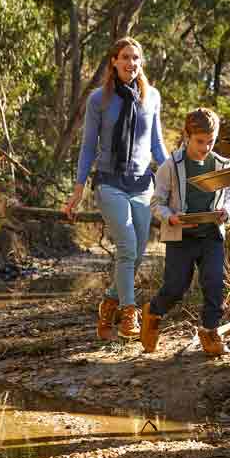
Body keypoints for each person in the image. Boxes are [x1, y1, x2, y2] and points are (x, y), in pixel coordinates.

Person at [64, 37, 169, 342]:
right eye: (125, 57)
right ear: (113, 61)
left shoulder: (152, 97)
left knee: (136, 255)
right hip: (109, 182)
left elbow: (157, 145)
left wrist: (172, 176)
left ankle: (109, 302)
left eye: (136, 58)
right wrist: (78, 189)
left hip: (141, 184)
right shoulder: (99, 99)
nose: (131, 63)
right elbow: (87, 148)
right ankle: (129, 312)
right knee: (126, 247)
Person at [141, 108, 230, 356]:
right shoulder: (170, 166)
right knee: (176, 287)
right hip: (180, 237)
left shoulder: (222, 165)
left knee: (215, 283)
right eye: (199, 141)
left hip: (211, 236)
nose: (205, 147)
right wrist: (171, 218)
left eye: (211, 141)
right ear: (187, 136)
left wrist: (226, 212)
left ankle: (209, 332)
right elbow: (156, 203)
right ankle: (152, 313)